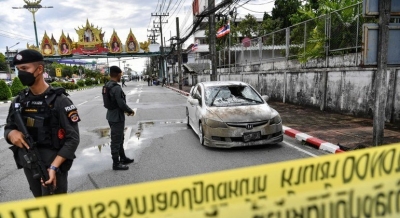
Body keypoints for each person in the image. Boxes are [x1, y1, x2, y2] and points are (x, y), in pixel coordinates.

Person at [4, 49, 80, 197]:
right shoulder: (19, 101)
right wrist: (11, 134)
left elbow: (73, 139)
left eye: (25, 68)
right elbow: (8, 128)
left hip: (53, 166)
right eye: (18, 69)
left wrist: (54, 167)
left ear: (39, 69)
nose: (21, 73)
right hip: (30, 164)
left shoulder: (60, 100)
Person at [104, 66, 135, 170]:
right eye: (120, 75)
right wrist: (130, 110)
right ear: (117, 75)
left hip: (110, 115)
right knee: (116, 140)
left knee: (120, 138)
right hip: (117, 117)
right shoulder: (116, 88)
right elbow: (121, 103)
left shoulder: (106, 85)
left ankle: (122, 157)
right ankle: (116, 163)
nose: (121, 77)